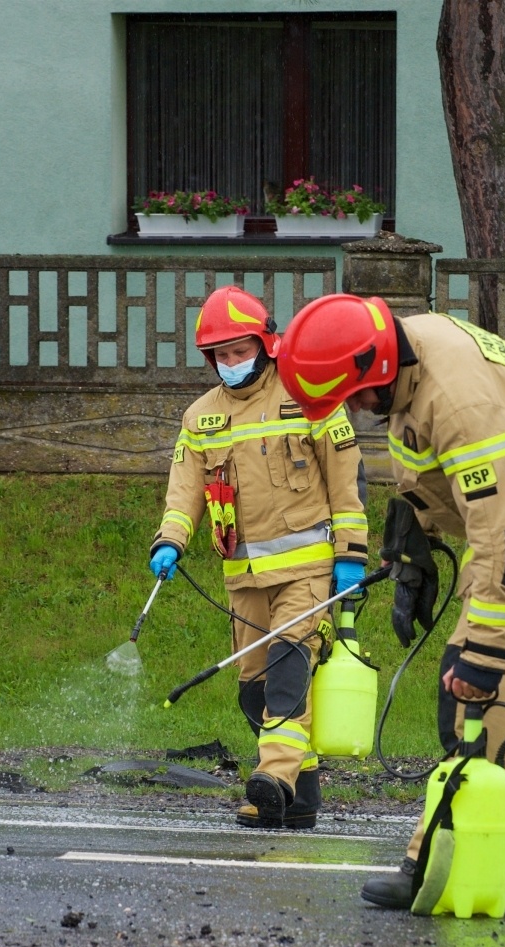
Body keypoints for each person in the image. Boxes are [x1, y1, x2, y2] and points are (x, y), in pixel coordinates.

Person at [275, 295, 505, 909]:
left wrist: (481, 649)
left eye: (353, 397)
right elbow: (424, 457)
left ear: (373, 367)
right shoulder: (411, 358)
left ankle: (434, 860)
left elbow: (501, 535)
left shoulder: (458, 399)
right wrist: (412, 541)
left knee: (477, 691)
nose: (354, 409)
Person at [150, 285, 367, 830]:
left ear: (266, 343)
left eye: (240, 350)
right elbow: (184, 492)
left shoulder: (309, 395)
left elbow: (347, 482)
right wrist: (170, 541)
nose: (230, 362)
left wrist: (352, 554)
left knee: (288, 678)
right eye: (220, 355)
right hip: (243, 577)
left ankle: (270, 781)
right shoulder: (200, 418)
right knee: (254, 693)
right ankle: (301, 794)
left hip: (308, 570)